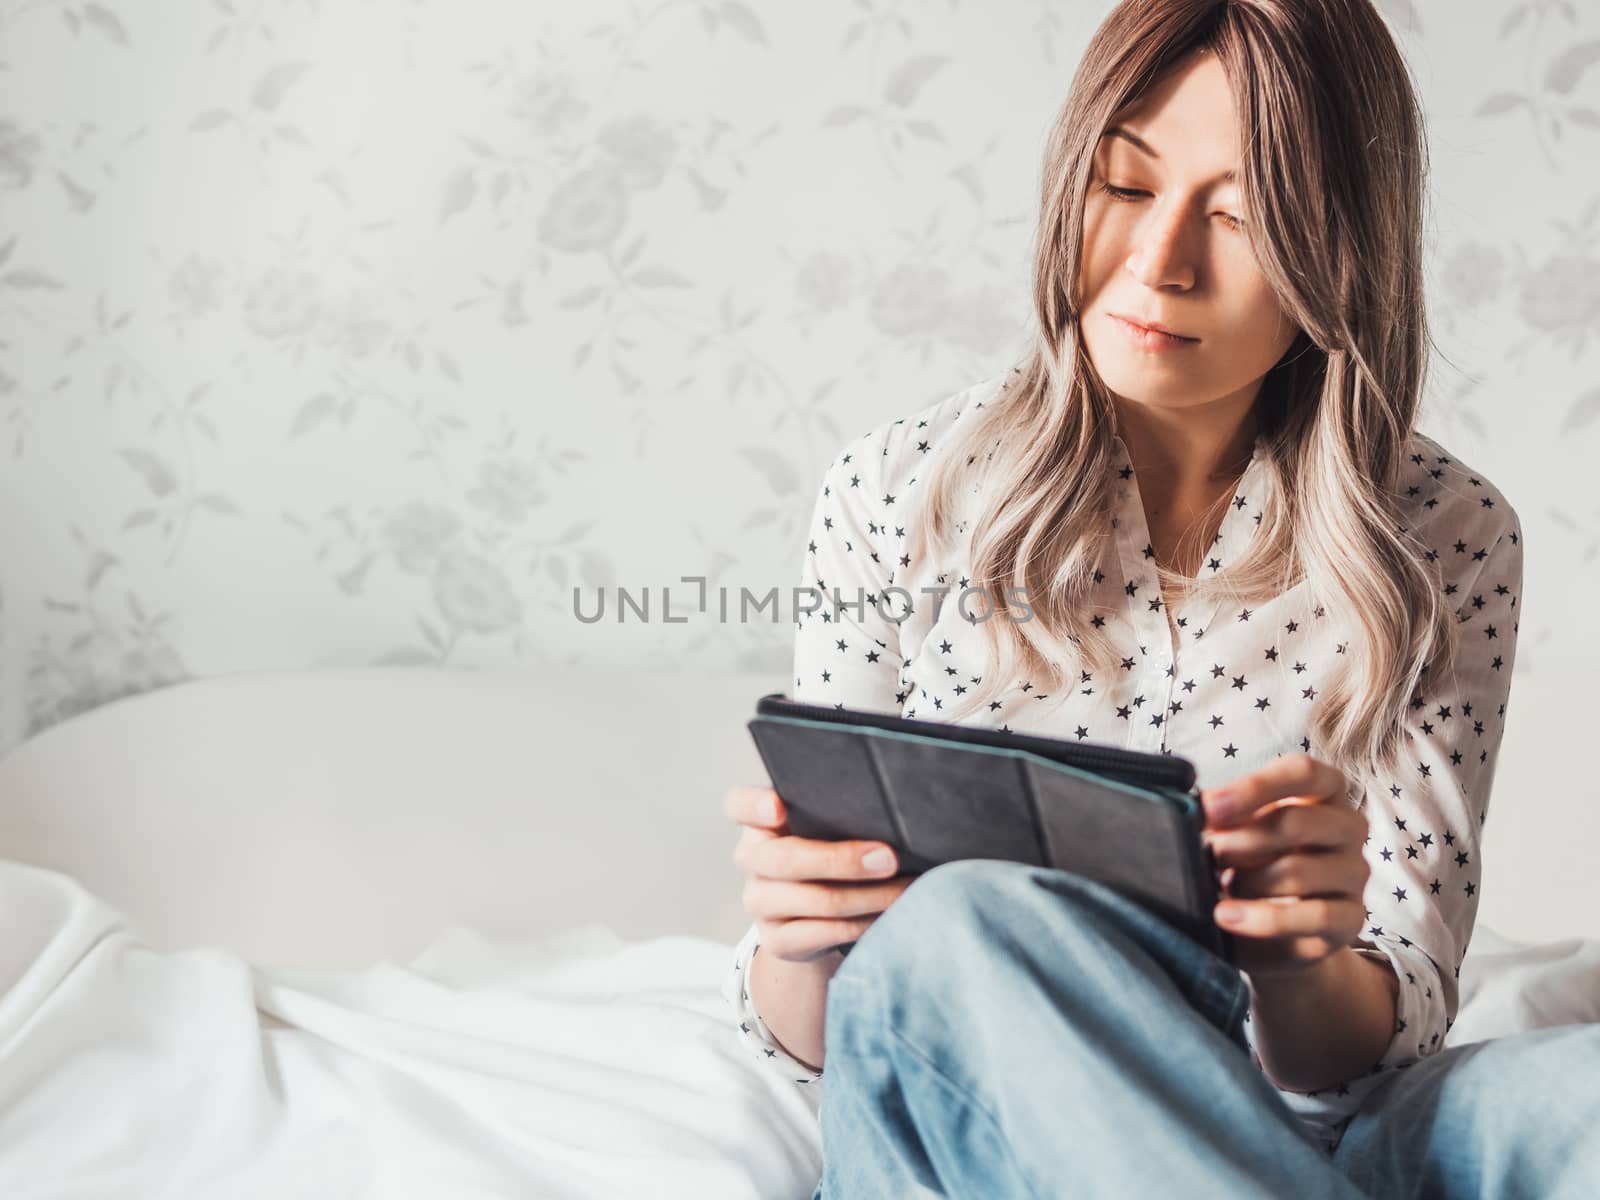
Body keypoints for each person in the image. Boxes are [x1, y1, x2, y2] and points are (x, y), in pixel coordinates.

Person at [722, 0, 1599, 1195]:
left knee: (1567, 1091)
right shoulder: (898, 489)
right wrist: (801, 937)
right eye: (1125, 188)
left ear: (1339, 250)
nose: (1161, 262)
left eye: (1236, 217)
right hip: (977, 1136)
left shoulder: (1444, 536)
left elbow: (1391, 1016)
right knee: (965, 924)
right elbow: (823, 1036)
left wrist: (1296, 964)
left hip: (1293, 1137)